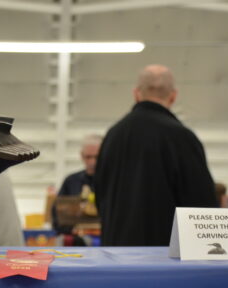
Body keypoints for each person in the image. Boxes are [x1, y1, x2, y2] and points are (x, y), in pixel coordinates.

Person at [92, 64, 217, 245]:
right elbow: (202, 206)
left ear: (136, 94)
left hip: (115, 250)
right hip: (163, 254)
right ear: (173, 96)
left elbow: (99, 194)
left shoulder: (113, 136)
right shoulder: (182, 137)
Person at [51, 134, 102, 234]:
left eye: (97, 157)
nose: (92, 162)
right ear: (82, 156)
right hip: (76, 239)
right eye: (88, 157)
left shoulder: (113, 182)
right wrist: (71, 230)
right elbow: (57, 214)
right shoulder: (71, 181)